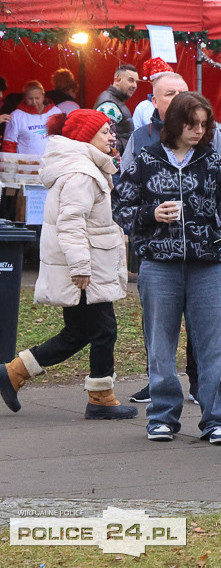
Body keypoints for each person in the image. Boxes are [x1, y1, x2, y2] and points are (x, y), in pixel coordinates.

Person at [112, 91, 221, 444]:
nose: (199, 131)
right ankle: (162, 416)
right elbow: (120, 206)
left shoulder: (213, 162)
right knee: (160, 345)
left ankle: (218, 419)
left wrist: (219, 236)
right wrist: (151, 214)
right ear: (175, 123)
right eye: (192, 124)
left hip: (206, 265)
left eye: (204, 125)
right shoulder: (147, 159)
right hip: (158, 265)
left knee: (212, 345)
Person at [0, 110, 137, 419]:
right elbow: (71, 223)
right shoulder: (82, 173)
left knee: (77, 332)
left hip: (86, 264)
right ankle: (101, 398)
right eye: (104, 132)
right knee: (104, 330)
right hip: (87, 268)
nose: (111, 137)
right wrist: (81, 268)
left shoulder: (82, 167)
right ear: (86, 137)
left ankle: (13, 372)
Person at [2, 80, 58, 155]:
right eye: (30, 99)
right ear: (24, 97)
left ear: (43, 96)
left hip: (52, 160)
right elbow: (9, 144)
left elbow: (64, 139)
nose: (34, 102)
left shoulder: (55, 112)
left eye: (37, 98)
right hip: (25, 162)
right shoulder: (15, 116)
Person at [94, 64, 140, 154]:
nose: (134, 85)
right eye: (130, 80)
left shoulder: (115, 101)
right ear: (117, 79)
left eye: (136, 82)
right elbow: (105, 144)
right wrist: (129, 145)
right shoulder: (109, 106)